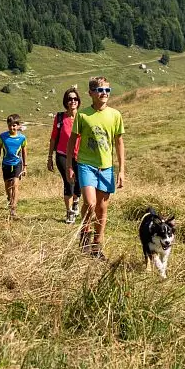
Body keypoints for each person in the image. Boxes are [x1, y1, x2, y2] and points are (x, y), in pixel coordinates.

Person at [65, 76, 125, 259]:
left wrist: (121, 169)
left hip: (106, 168)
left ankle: (97, 246)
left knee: (102, 208)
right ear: (91, 93)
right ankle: (85, 234)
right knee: (90, 203)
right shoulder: (83, 115)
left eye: (107, 90)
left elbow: (119, 143)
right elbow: (72, 141)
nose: (104, 93)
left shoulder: (115, 115)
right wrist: (69, 165)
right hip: (86, 165)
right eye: (100, 90)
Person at [46, 86, 82, 224]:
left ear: (78, 101)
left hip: (80, 156)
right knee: (69, 182)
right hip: (63, 155)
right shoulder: (60, 117)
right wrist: (50, 157)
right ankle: (69, 212)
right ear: (66, 101)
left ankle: (76, 201)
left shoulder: (82, 117)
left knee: (79, 184)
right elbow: (53, 138)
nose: (72, 101)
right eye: (69, 99)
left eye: (75, 99)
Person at [0, 113, 27, 220]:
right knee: (8, 186)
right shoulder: (2, 137)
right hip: (6, 164)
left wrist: (25, 166)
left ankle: (13, 208)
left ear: (18, 126)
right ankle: (9, 198)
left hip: (17, 164)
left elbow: (24, 152)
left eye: (14, 125)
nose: (12, 127)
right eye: (10, 125)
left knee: (15, 185)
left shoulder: (22, 138)